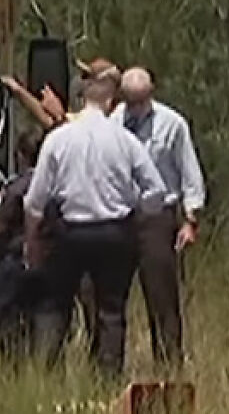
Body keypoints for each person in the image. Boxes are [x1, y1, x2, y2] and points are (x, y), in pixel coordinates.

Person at [23, 72, 168, 377]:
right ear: (111, 102)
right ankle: (107, 381)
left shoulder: (58, 140)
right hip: (115, 232)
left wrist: (33, 241)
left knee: (55, 305)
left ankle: (46, 374)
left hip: (70, 231)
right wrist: (136, 209)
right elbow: (156, 189)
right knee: (111, 311)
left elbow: (34, 200)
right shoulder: (125, 141)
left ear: (81, 99)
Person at [113, 66, 205, 368]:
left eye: (141, 100)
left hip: (158, 217)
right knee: (109, 297)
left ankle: (169, 367)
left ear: (151, 93)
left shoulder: (172, 124)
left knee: (162, 296)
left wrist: (191, 220)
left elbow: (189, 174)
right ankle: (108, 367)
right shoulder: (114, 122)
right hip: (120, 214)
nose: (136, 107)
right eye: (130, 100)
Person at [0, 127, 48, 355]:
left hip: (15, 258)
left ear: (20, 156)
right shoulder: (53, 184)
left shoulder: (16, 187)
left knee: (0, 315)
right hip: (47, 259)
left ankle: (9, 361)